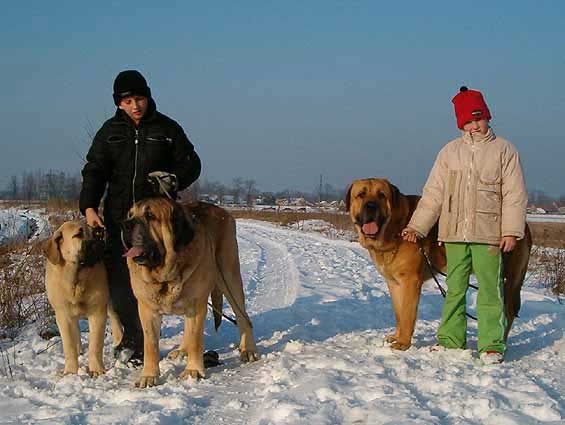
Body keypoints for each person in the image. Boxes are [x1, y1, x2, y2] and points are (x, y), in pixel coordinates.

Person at [79, 70, 201, 365]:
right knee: (122, 280)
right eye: (129, 101)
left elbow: (192, 163)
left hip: (159, 223)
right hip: (121, 217)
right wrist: (89, 207)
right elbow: (94, 170)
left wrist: (174, 179)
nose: (136, 106)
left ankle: (188, 331)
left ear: (148, 97)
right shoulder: (109, 133)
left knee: (169, 274)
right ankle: (134, 339)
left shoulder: (167, 128)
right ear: (119, 103)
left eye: (140, 98)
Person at [401, 86, 527, 364]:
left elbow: (515, 195)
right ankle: (450, 340)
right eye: (468, 121)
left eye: (478, 119)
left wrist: (511, 231)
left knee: (490, 290)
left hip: (489, 234)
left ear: (488, 117)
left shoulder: (504, 150)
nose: (474, 126)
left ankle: (491, 344)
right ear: (460, 124)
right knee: (454, 289)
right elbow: (433, 193)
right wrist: (417, 227)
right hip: (454, 233)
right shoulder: (449, 152)